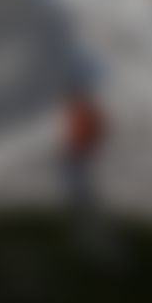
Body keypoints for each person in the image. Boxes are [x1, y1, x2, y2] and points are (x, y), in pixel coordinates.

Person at [58, 82, 109, 219]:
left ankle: (83, 204)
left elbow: (95, 130)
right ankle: (79, 203)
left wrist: (86, 146)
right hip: (76, 149)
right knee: (75, 178)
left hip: (81, 151)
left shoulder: (85, 111)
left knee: (80, 179)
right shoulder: (78, 111)